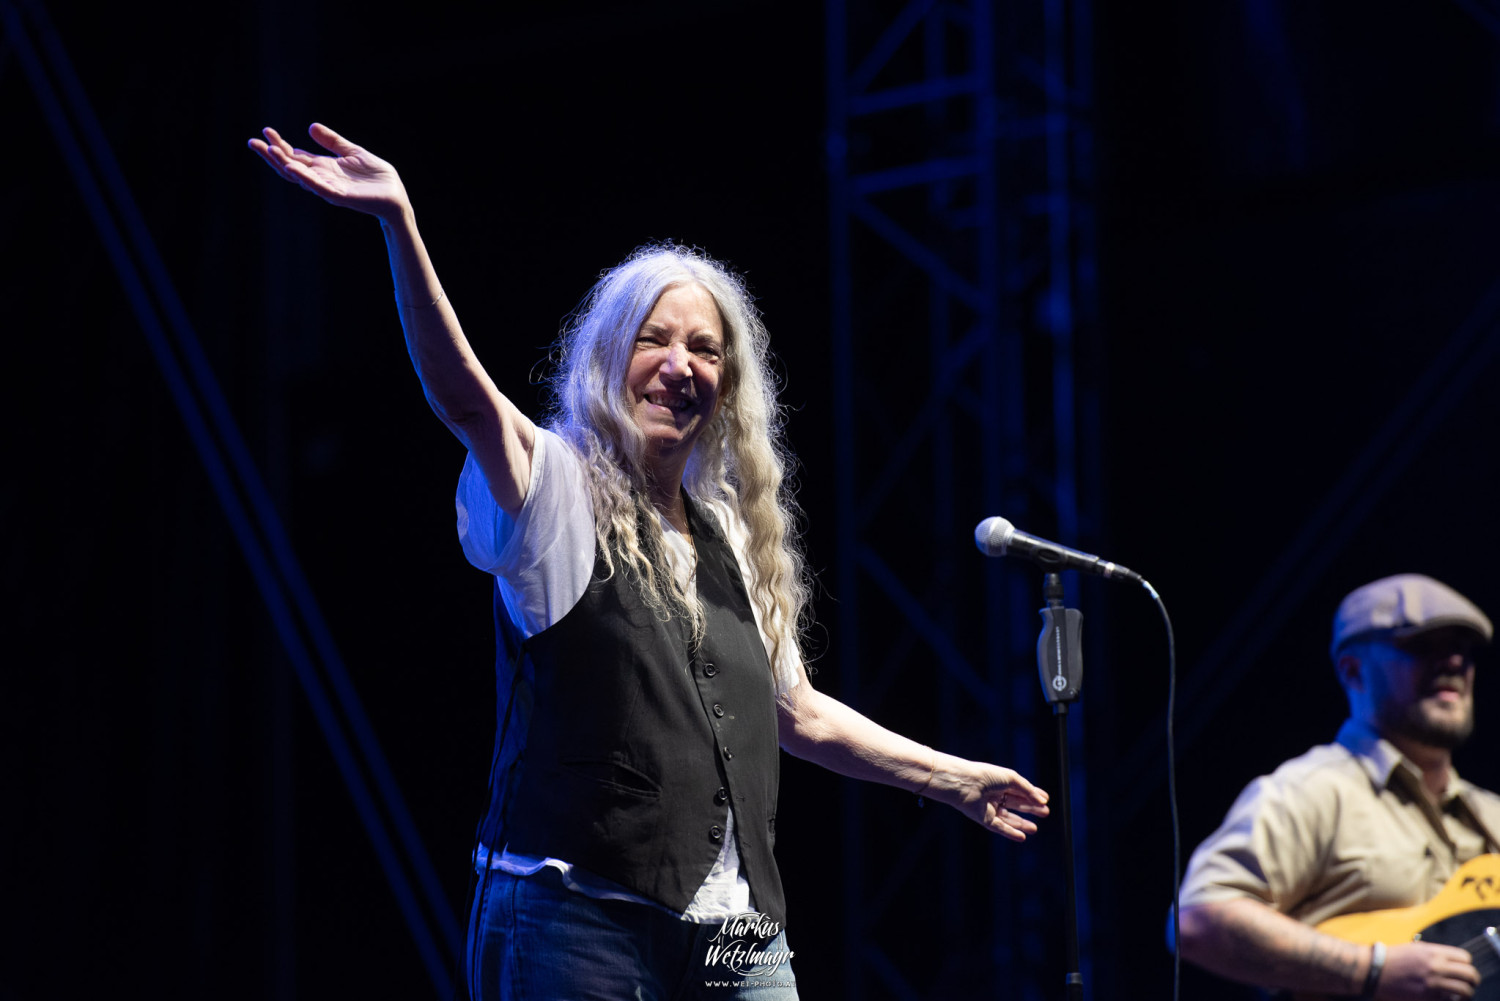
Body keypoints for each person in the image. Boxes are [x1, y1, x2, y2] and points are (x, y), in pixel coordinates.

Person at [248, 123, 1051, 1000]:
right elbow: (466, 401)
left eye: (705, 350)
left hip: (733, 930)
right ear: (608, 361)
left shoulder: (725, 534)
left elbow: (797, 713)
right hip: (572, 913)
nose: (680, 366)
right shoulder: (556, 490)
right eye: (654, 341)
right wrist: (399, 222)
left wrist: (956, 778)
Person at [1176, 573, 1500, 1001]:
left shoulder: (1491, 815)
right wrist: (1372, 970)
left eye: (1462, 650)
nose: (1454, 664)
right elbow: (1198, 918)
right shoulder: (1310, 791)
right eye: (1423, 646)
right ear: (1352, 670)